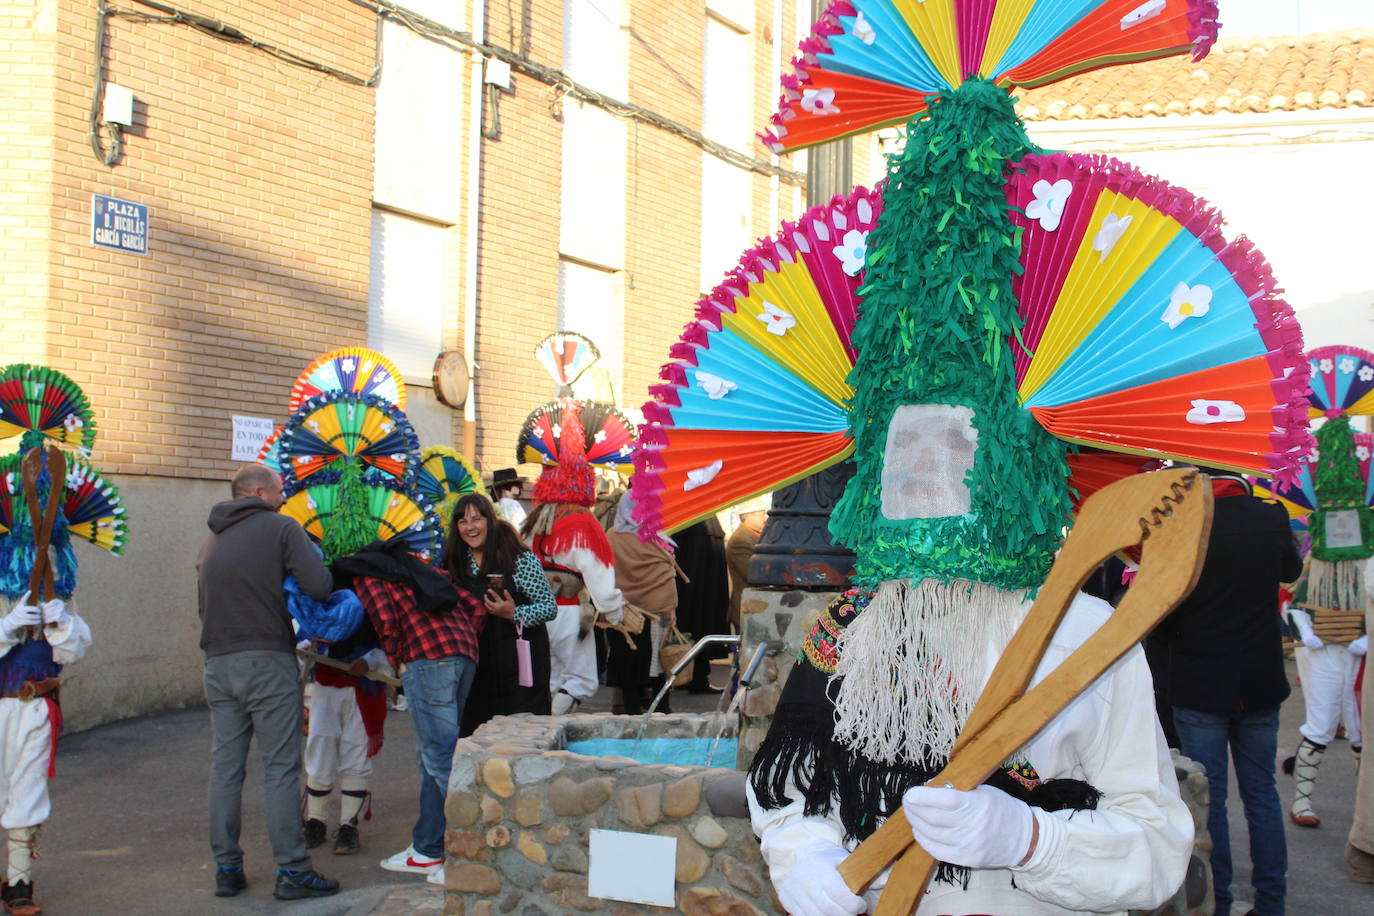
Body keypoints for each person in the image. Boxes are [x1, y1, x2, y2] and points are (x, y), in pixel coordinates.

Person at [1155, 470, 1302, 916]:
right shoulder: (1269, 516)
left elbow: (1164, 604)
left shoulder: (1184, 520)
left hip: (1200, 680)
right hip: (1258, 679)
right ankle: (1271, 903)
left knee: (1207, 798)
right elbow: (1290, 571)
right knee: (1262, 794)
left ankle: (1218, 902)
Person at [196, 463, 340, 900]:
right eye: (280, 491)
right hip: (267, 660)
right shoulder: (281, 528)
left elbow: (203, 604)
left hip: (218, 663)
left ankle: (227, 868)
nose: (283, 498)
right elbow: (318, 585)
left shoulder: (212, 540)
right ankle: (293, 871)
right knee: (280, 767)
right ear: (261, 492)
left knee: (225, 767)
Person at [340, 537, 483, 887]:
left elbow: (386, 621)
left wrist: (398, 660)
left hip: (425, 659)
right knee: (431, 756)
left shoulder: (370, 576)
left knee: (439, 759)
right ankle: (426, 848)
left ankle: (472, 854)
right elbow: (475, 607)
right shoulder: (422, 567)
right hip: (464, 654)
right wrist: (459, 641)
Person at [521, 403, 624, 715]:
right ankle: (551, 727)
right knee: (580, 680)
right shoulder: (583, 523)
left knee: (551, 678)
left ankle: (540, 739)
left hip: (536, 614)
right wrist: (614, 611)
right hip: (567, 612)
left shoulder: (535, 520)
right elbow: (600, 577)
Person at [0, 589, 90, 916]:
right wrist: (6, 626)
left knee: (28, 790)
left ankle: (19, 884)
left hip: (35, 708)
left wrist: (61, 622)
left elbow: (73, 651)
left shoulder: (57, 592)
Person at [444, 493, 558, 734]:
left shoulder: (519, 558)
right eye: (463, 521)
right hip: (477, 663)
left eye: (477, 519)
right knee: (475, 731)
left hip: (520, 663)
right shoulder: (455, 562)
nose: (470, 527)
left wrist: (514, 613)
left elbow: (549, 607)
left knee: (522, 730)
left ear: (490, 520)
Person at [298, 617, 392, 856]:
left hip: (362, 689)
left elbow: (388, 643)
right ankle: (315, 821)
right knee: (320, 750)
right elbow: (301, 640)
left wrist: (369, 660)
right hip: (324, 687)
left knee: (357, 753)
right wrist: (306, 649)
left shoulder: (368, 598)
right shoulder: (316, 601)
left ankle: (348, 825)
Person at [1284, 584, 1363, 828]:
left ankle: (1365, 810)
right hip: (1324, 655)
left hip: (1360, 657)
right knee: (1320, 725)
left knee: (1363, 731)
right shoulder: (1317, 575)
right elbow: (1295, 609)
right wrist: (1306, 632)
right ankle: (1301, 802)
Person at [604, 492, 678, 715]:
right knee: (657, 663)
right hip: (657, 609)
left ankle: (630, 710)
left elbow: (605, 571)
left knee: (627, 662)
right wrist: (671, 607)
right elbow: (666, 573)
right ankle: (661, 710)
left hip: (624, 611)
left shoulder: (611, 537)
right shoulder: (656, 537)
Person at [673, 518, 730, 693]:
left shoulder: (692, 523)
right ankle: (695, 678)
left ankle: (691, 677)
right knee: (699, 625)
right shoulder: (702, 523)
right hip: (701, 588)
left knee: (694, 625)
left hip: (694, 588)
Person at [726, 503, 766, 634]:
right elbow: (753, 574)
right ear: (749, 516)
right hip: (748, 607)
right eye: (761, 514)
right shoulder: (740, 540)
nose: (765, 518)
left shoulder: (754, 536)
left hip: (756, 607)